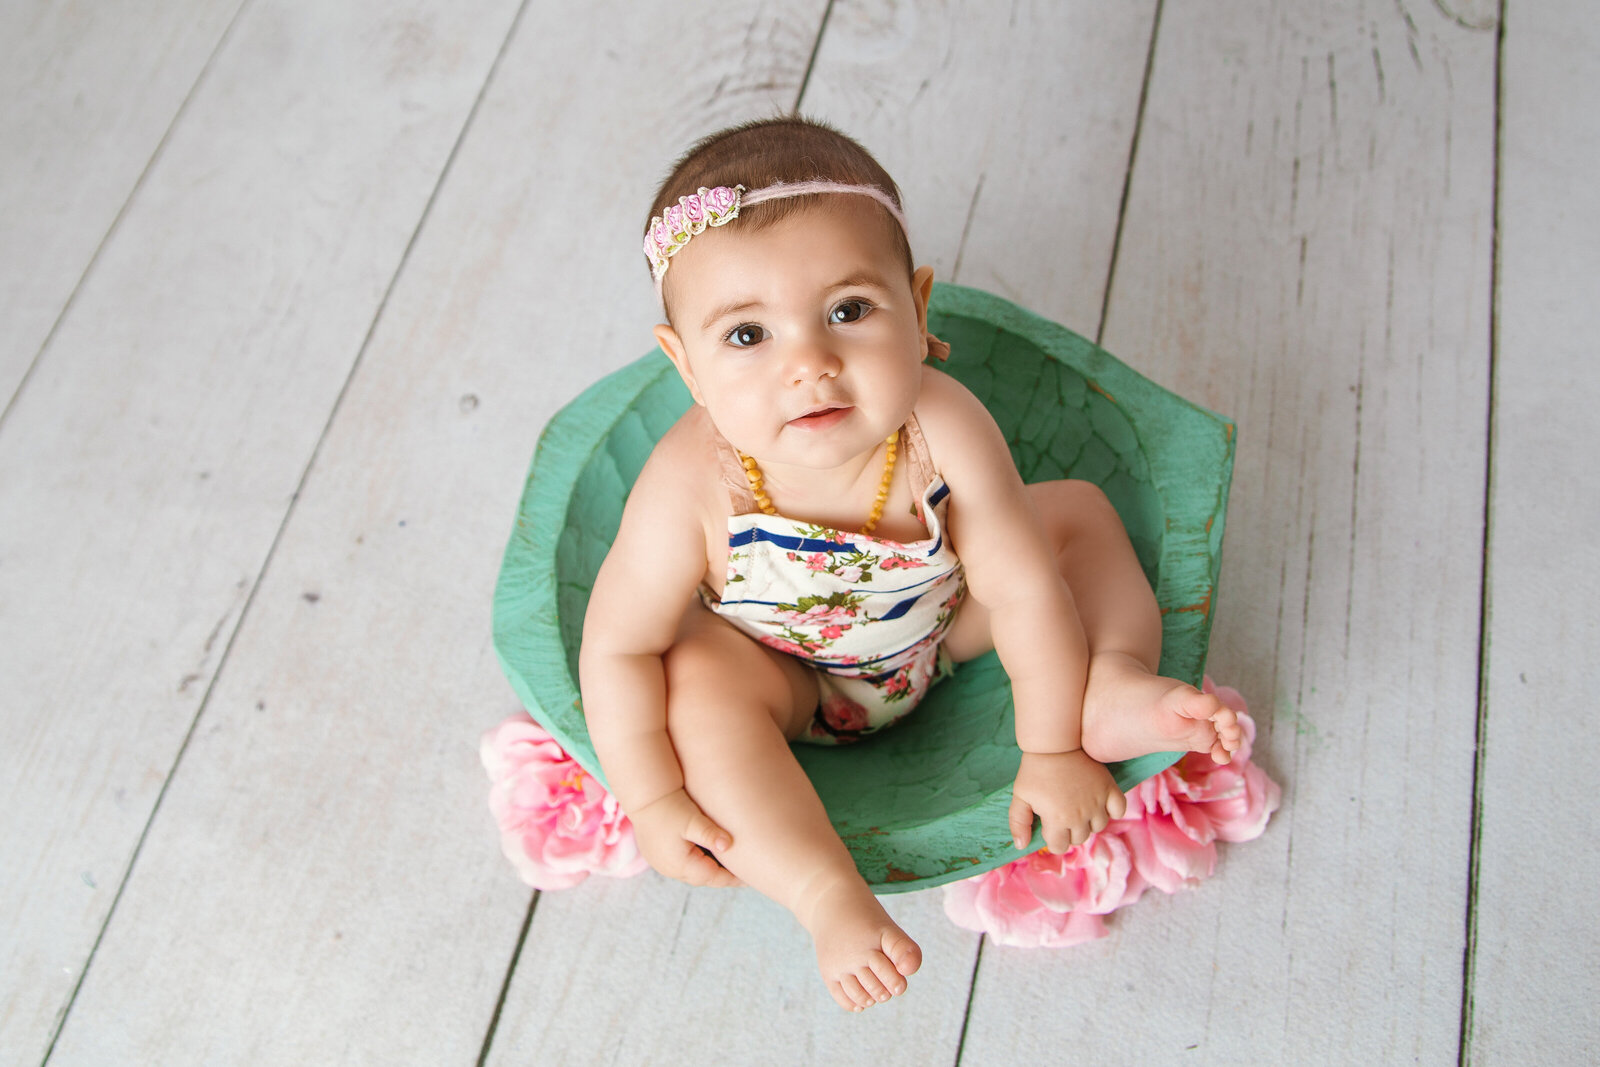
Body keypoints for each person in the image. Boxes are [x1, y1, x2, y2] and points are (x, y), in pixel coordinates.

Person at [578, 117, 1241, 1012]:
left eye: (849, 312)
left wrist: (1048, 750)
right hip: (785, 676)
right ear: (685, 364)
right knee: (692, 680)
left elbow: (1021, 586)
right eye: (746, 336)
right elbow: (616, 648)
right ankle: (822, 890)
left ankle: (1109, 683)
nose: (809, 363)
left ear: (918, 309)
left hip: (939, 623)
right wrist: (653, 801)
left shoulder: (943, 425)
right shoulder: (687, 487)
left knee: (1074, 516)